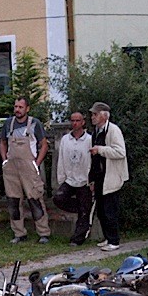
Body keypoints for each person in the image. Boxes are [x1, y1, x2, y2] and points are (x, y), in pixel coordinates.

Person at [0, 96, 51, 244]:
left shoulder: (35, 123)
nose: (17, 110)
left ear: (27, 108)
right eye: (16, 107)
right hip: (11, 168)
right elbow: (3, 142)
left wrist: (37, 163)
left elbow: (44, 144)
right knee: (13, 200)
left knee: (34, 198)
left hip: (29, 166)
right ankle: (19, 233)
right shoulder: (8, 123)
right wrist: (4, 160)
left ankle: (43, 233)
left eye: (20, 107)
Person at [88, 102, 129, 252]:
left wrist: (101, 150)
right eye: (92, 114)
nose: (92, 117)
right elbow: (94, 159)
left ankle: (114, 240)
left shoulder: (114, 130)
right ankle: (108, 238)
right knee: (101, 210)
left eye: (95, 114)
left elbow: (120, 152)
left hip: (111, 176)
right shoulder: (96, 132)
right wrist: (91, 179)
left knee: (110, 209)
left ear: (104, 116)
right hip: (100, 176)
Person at [53, 111, 93, 246]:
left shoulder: (89, 139)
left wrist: (91, 180)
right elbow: (61, 159)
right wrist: (61, 178)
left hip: (84, 180)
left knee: (84, 212)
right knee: (58, 198)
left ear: (83, 122)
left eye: (78, 120)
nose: (75, 123)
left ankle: (78, 238)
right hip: (70, 179)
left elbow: (91, 161)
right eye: (73, 120)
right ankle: (81, 208)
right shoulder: (65, 139)